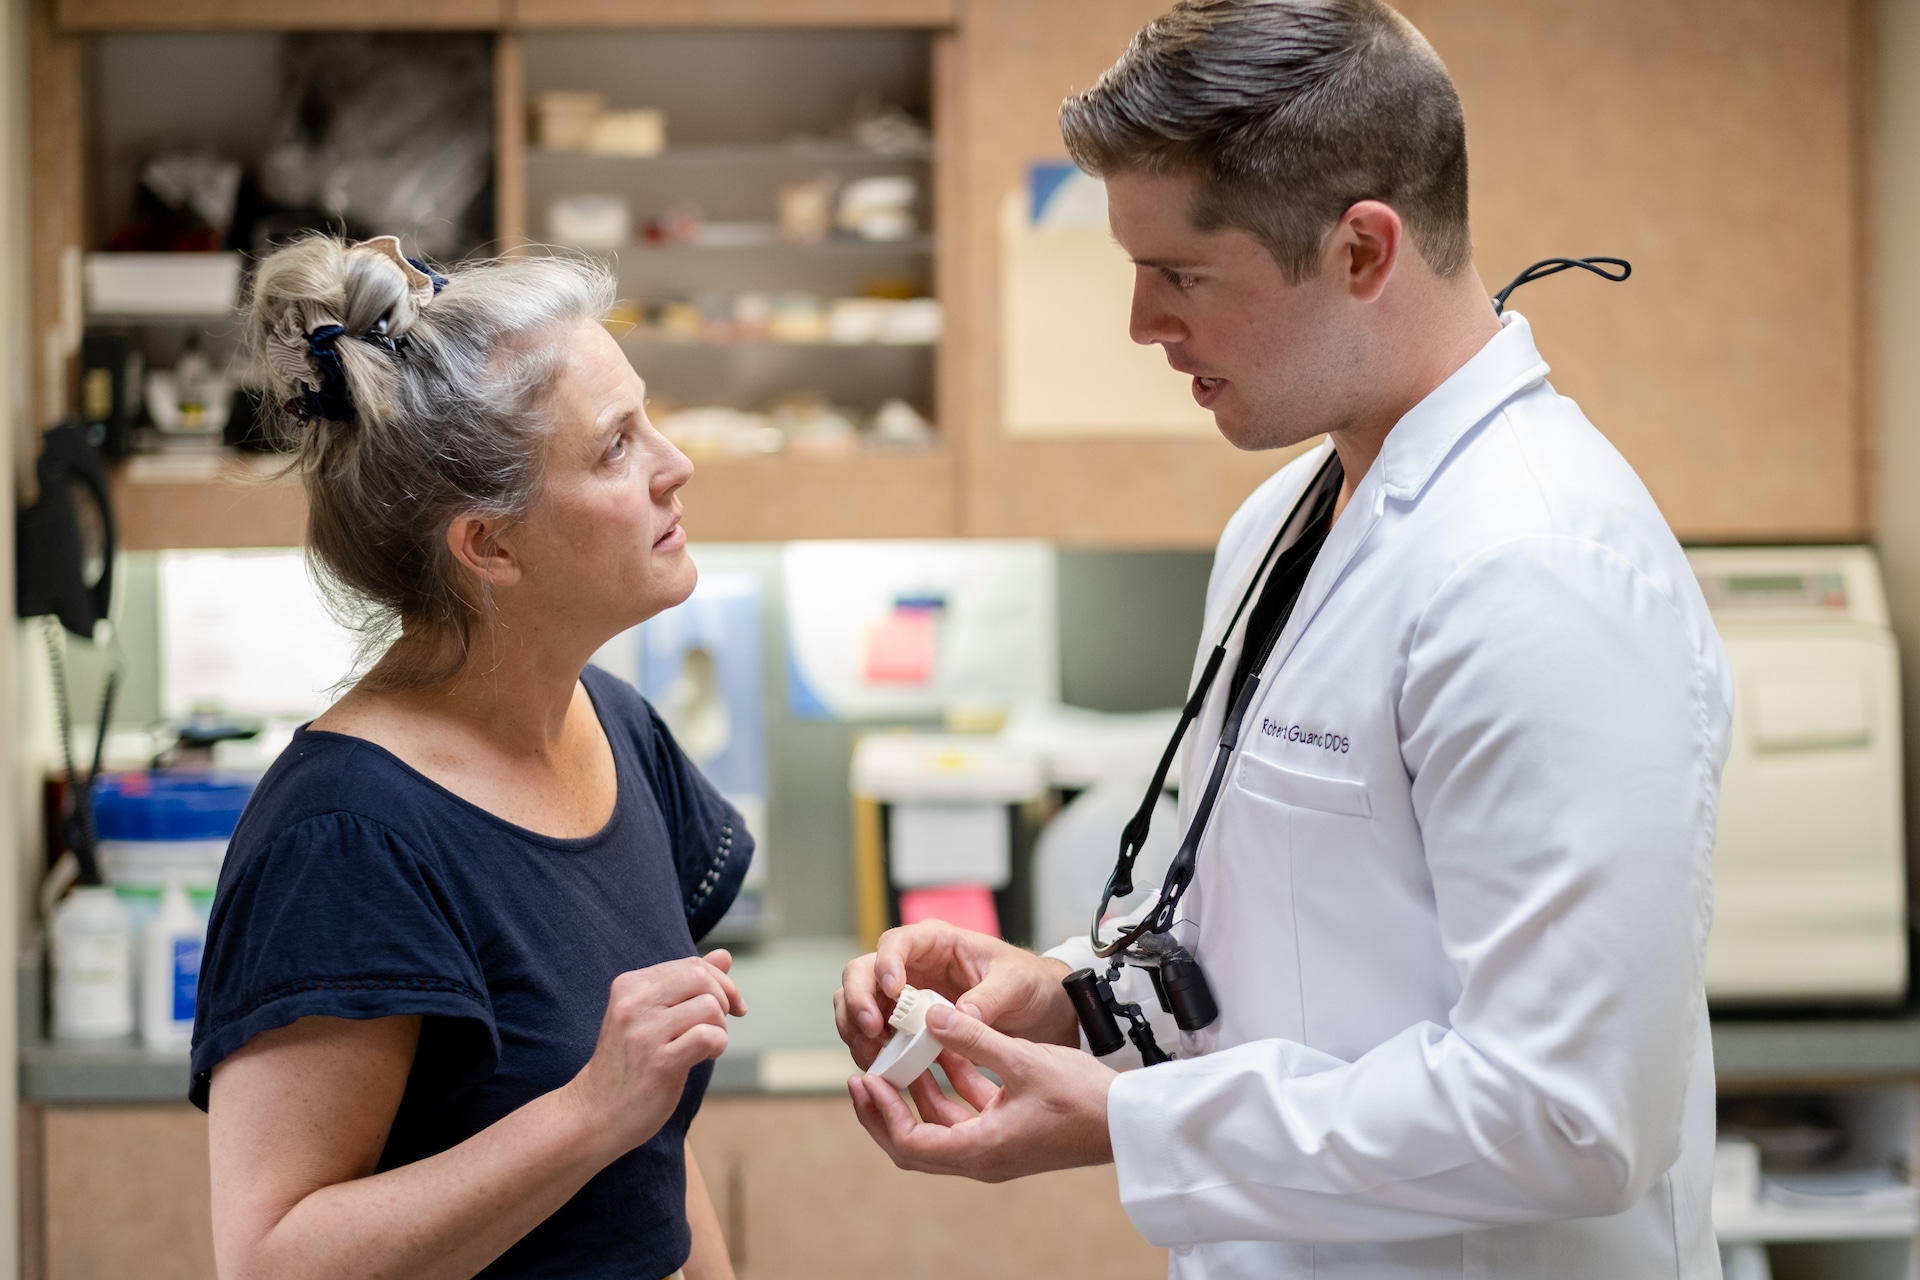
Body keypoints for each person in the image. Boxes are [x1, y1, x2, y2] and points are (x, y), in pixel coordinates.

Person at [834, 3, 1732, 1277]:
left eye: (1184, 275)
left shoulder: (1535, 570)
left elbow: (1571, 1112)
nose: (1144, 324)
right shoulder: (1289, 519)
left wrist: (1132, 1122)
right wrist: (1069, 995)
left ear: (1364, 248)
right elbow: (1279, 937)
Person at [192, 235, 752, 1280]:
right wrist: (588, 1108)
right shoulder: (346, 836)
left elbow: (653, 1155)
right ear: (489, 545)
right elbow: (274, 1258)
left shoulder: (618, 729)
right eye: (617, 446)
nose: (676, 466)